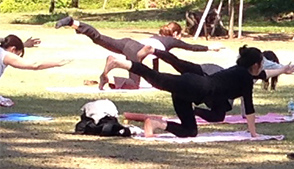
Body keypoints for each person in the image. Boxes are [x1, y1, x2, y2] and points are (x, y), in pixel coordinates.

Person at [101, 45, 283, 138]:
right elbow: (249, 109)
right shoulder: (244, 77)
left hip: (190, 93)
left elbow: (264, 75)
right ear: (255, 65)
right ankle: (117, 62)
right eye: (262, 64)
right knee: (156, 78)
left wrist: (285, 69)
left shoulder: (241, 73)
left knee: (190, 131)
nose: (263, 68)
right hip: (195, 86)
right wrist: (253, 134)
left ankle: (156, 124)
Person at [55, 17, 220, 89]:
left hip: (129, 43)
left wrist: (157, 77)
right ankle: (113, 68)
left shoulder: (157, 39)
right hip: (137, 51)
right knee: (134, 84)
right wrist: (210, 47)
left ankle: (73, 23)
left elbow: (156, 65)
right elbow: (191, 47)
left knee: (99, 38)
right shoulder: (172, 41)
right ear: (175, 34)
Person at [0, 35, 71, 106]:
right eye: (17, 54)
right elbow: (35, 65)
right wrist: (57, 63)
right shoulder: (6, 56)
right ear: (13, 49)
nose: (17, 58)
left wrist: (24, 44)